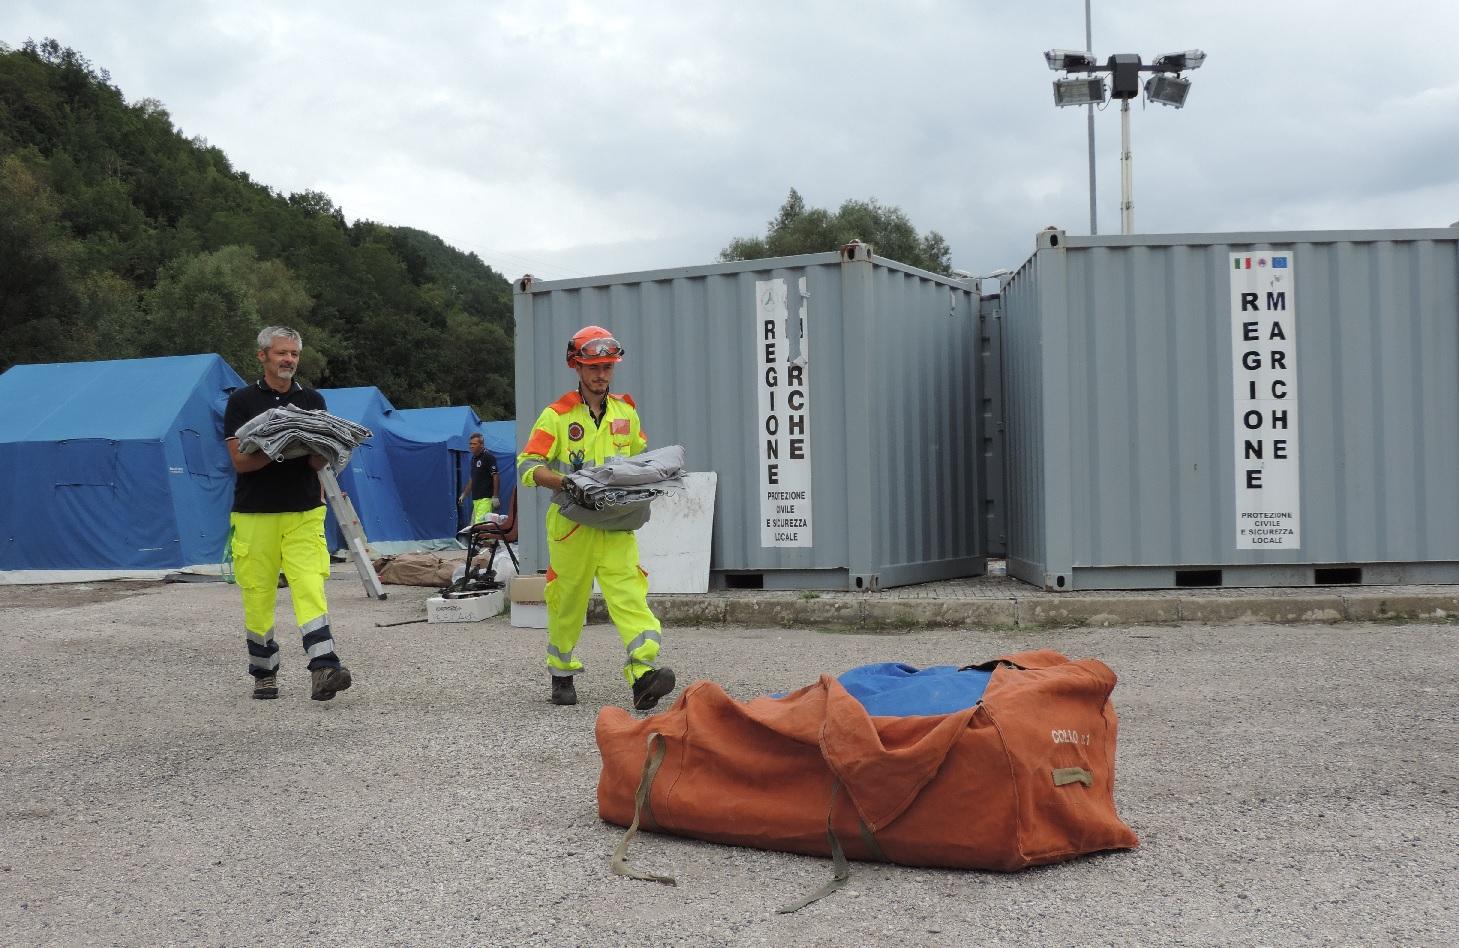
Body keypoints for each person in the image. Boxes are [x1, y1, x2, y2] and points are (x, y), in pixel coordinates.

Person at [517, 325, 676, 710]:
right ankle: (561, 672)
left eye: (607, 366)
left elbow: (639, 458)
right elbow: (528, 465)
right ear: (576, 366)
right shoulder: (556, 417)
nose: (601, 374)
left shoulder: (626, 412)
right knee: (567, 600)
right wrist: (566, 482)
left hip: (617, 525)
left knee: (629, 596)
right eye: (593, 367)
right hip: (572, 529)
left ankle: (643, 675)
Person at [223, 326, 353, 702]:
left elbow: (317, 462)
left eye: (294, 354)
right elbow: (240, 462)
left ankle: (324, 667)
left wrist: (324, 446)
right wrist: (280, 447)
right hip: (253, 514)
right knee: (258, 595)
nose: (289, 360)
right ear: (262, 355)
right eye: (282, 353)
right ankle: (264, 673)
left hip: (304, 511)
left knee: (310, 586)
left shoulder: (313, 399)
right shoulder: (242, 402)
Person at [458, 432, 499, 524]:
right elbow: (473, 478)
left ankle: (489, 538)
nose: (471, 446)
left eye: (474, 444)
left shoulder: (488, 457)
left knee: (480, 527)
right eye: (470, 444)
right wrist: (464, 494)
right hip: (476, 500)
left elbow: (495, 475)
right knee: (474, 527)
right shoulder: (473, 459)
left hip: (485, 499)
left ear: (481, 445)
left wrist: (495, 496)